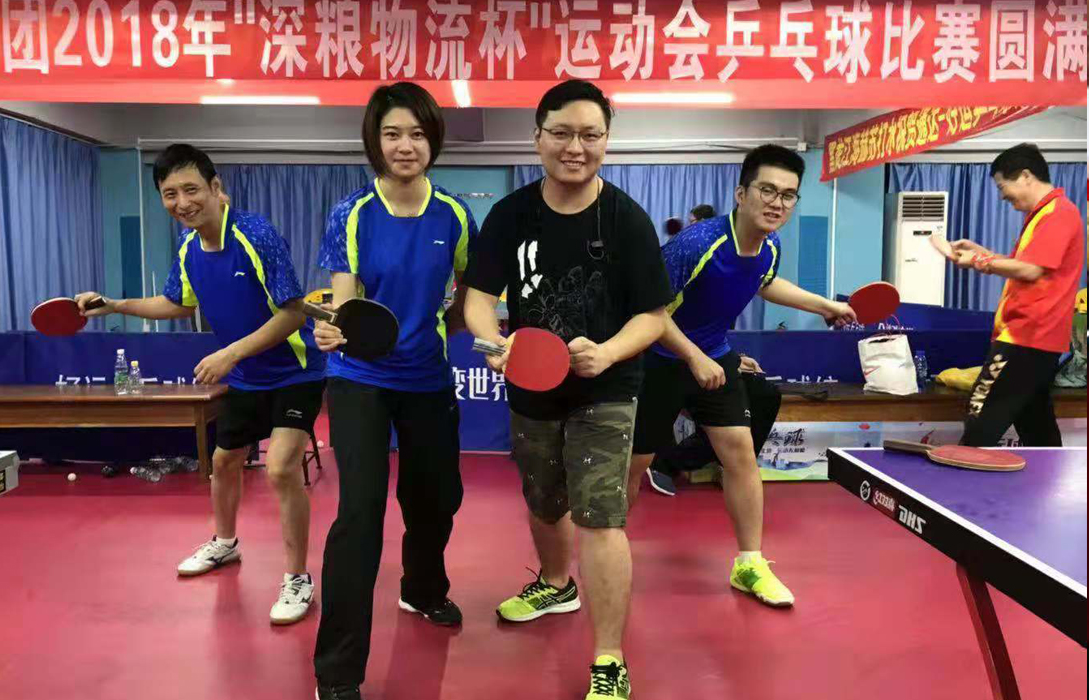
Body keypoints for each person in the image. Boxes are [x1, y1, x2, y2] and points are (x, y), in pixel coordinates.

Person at [462, 79, 672, 700]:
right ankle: (556, 584)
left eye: (589, 134)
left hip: (606, 388)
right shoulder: (510, 215)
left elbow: (653, 316)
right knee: (543, 499)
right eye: (561, 133)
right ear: (538, 138)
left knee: (600, 517)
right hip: (530, 382)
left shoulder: (627, 220)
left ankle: (609, 657)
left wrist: (605, 353)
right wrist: (495, 343)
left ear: (606, 141)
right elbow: (478, 299)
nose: (574, 147)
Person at [76, 144, 325, 625]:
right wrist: (115, 305)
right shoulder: (189, 248)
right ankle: (225, 543)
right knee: (224, 461)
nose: (182, 202)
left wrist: (230, 354)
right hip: (249, 376)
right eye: (170, 194)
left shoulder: (255, 234)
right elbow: (177, 303)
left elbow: (294, 313)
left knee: (279, 468)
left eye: (191, 189)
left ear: (215, 188)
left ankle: (297, 577)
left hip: (295, 370)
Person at [628, 144, 856, 608]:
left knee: (741, 455)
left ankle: (749, 563)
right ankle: (606, 552)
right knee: (633, 466)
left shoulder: (770, 245)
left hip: (714, 355)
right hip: (658, 359)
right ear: (741, 194)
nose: (777, 203)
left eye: (788, 195)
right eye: (767, 190)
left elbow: (765, 282)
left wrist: (824, 305)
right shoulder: (696, 244)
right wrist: (693, 357)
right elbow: (650, 310)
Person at [312, 82, 476, 700]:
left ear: (433, 140)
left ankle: (422, 587)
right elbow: (345, 301)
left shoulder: (455, 214)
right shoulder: (352, 213)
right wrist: (332, 330)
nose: (405, 145)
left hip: (428, 378)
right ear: (374, 142)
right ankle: (337, 672)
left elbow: (468, 295)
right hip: (360, 379)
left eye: (416, 133)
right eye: (392, 134)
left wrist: (448, 331)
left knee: (437, 499)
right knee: (360, 516)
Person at [949, 143, 1085, 446]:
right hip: (1036, 339)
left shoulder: (1058, 213)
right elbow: (1024, 266)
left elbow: (1031, 270)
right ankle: (1049, 477)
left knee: (979, 418)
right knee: (1037, 428)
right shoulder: (1044, 214)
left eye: (1002, 187)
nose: (1002, 196)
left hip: (1026, 337)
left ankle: (962, 476)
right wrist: (980, 251)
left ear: (1025, 175)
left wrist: (978, 261)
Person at [644, 353, 779, 495]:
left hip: (717, 359)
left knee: (767, 393)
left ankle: (730, 465)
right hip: (677, 361)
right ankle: (666, 461)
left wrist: (734, 359)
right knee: (722, 427)